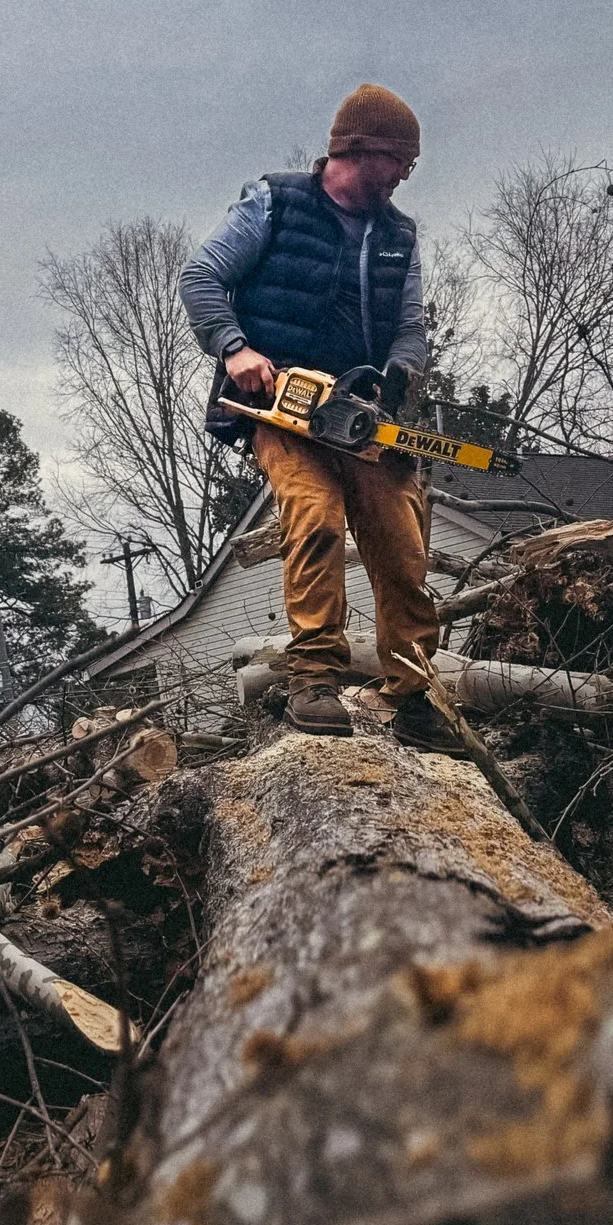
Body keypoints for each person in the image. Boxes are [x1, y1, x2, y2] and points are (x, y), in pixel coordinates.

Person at [179, 83, 468, 754]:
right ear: (363, 150)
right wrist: (236, 348)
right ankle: (314, 675)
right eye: (400, 161)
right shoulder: (274, 203)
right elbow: (201, 278)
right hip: (283, 406)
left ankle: (413, 688)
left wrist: (401, 369)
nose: (403, 176)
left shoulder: (398, 234)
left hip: (360, 413)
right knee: (314, 517)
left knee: (401, 537)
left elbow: (411, 326)